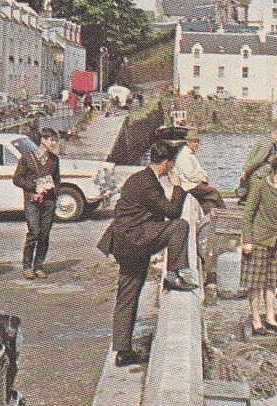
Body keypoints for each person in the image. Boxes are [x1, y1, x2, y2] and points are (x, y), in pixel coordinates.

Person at [96, 139, 198, 367]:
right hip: (135, 242)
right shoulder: (148, 184)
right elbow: (172, 212)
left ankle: (122, 352)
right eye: (172, 164)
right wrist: (179, 187)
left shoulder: (138, 178)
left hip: (124, 242)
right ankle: (174, 276)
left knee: (127, 295)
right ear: (168, 163)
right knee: (180, 226)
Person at [240, 154, 277, 336]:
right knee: (255, 284)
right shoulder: (260, 186)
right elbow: (247, 216)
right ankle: (257, 321)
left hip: (276, 241)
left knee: (272, 282)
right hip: (258, 241)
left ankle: (271, 318)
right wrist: (247, 240)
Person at [14, 127, 61, 278]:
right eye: (51, 139)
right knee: (34, 231)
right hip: (32, 201)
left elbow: (57, 179)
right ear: (43, 140)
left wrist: (53, 189)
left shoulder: (54, 160)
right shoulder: (27, 158)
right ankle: (27, 266)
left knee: (45, 234)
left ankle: (38, 266)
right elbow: (17, 179)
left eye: (55, 140)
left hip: (48, 201)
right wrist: (34, 188)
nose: (54, 143)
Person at [174, 129, 226, 214]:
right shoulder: (184, 156)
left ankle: (211, 216)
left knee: (209, 202)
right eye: (194, 142)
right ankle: (224, 213)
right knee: (213, 192)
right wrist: (203, 178)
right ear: (188, 142)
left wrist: (204, 175)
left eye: (197, 142)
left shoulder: (190, 154)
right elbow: (190, 175)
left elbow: (199, 170)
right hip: (189, 186)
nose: (196, 144)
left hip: (194, 184)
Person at [236, 123, 277, 201]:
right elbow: (257, 161)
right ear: (275, 134)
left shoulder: (265, 141)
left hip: (258, 177)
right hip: (258, 177)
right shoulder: (268, 144)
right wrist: (246, 172)